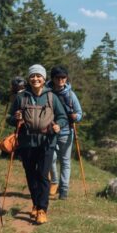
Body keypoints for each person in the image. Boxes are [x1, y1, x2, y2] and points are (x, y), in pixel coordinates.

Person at [7, 64, 68, 225]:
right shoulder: (22, 97)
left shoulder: (52, 97)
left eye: (38, 76)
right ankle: (35, 203)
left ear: (44, 79)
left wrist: (58, 126)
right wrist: (16, 118)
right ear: (29, 79)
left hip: (47, 141)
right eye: (32, 76)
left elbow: (62, 117)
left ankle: (42, 209)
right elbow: (9, 118)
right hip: (26, 141)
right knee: (31, 175)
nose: (35, 79)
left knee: (42, 174)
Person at [47, 66, 83, 200]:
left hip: (66, 132)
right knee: (51, 158)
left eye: (63, 77)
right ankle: (55, 181)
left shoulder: (70, 94)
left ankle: (64, 190)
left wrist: (76, 117)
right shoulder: (46, 92)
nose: (61, 80)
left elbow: (80, 113)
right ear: (53, 78)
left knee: (65, 161)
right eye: (58, 77)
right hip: (49, 131)